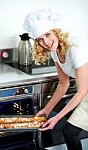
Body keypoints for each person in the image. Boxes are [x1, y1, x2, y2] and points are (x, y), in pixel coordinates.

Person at [23, 8, 88, 150]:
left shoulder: (76, 47)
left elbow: (82, 91)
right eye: (40, 39)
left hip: (85, 93)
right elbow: (63, 85)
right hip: (85, 94)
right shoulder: (55, 51)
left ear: (56, 32)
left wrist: (57, 118)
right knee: (67, 124)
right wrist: (46, 110)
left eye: (47, 35)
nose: (45, 42)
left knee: (70, 131)